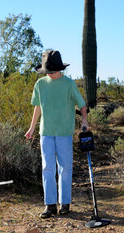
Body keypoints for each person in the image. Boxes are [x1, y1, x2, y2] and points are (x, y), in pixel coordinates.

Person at [25, 50, 89, 218]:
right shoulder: (40, 84)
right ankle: (50, 205)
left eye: (52, 71)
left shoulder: (69, 84)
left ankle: (65, 203)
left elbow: (82, 105)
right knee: (47, 167)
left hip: (64, 132)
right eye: (48, 71)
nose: (50, 74)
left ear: (60, 69)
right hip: (46, 132)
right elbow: (37, 107)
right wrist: (32, 128)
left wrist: (84, 121)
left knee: (65, 168)